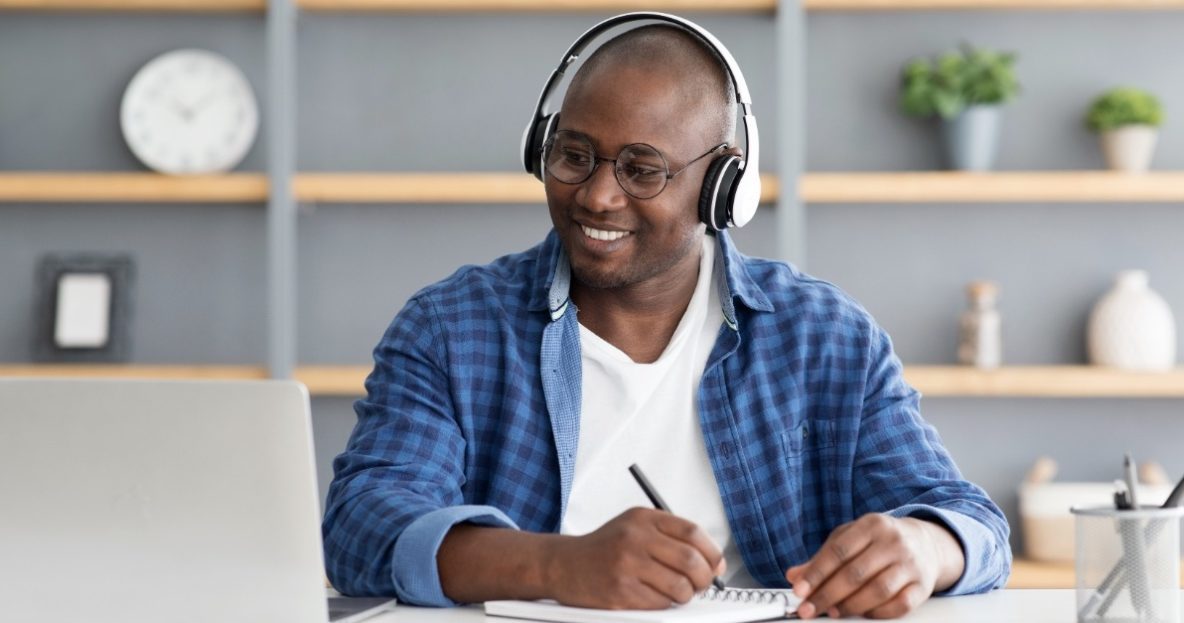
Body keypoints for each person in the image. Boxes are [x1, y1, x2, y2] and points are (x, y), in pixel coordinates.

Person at [323, 14, 1010, 620]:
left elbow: (971, 521)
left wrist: (923, 545)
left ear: (722, 186)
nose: (596, 195)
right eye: (574, 155)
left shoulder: (825, 335)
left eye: (641, 170)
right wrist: (560, 566)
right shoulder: (449, 327)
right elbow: (361, 526)